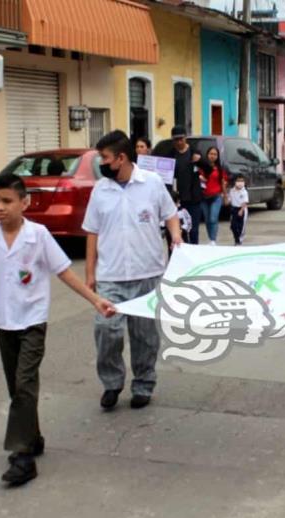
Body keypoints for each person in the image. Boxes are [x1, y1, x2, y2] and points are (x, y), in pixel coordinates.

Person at [0, 173, 116, 486]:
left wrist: (95, 300)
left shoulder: (38, 235)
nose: (0, 208)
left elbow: (64, 272)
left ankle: (22, 458)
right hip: (4, 323)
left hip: (32, 322)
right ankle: (32, 438)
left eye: (7, 201)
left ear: (25, 202)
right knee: (17, 389)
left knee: (24, 385)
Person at [83, 130, 182, 411]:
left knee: (145, 336)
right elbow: (91, 232)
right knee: (107, 331)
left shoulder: (151, 183)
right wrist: (90, 274)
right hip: (110, 276)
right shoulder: (100, 189)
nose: (101, 163)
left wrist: (175, 236)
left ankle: (143, 384)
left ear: (121, 158)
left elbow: (170, 214)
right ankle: (112, 383)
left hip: (147, 273)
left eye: (104, 157)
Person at [170, 126, 202, 244]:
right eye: (176, 140)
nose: (179, 142)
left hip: (194, 198)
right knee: (180, 230)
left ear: (185, 138)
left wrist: (200, 160)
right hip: (178, 199)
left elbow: (208, 169)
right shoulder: (170, 154)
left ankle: (195, 255)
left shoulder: (195, 152)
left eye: (181, 139)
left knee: (193, 231)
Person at [198, 146, 228, 245]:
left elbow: (223, 183)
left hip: (216, 197)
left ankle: (213, 240)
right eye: (211, 154)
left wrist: (225, 196)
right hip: (204, 197)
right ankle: (211, 239)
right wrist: (200, 178)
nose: (213, 156)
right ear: (207, 155)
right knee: (207, 220)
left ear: (217, 156)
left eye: (215, 154)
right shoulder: (201, 167)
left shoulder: (219, 169)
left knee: (213, 218)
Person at [229, 175, 249, 245]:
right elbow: (229, 200)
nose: (240, 183)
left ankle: (239, 240)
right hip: (234, 209)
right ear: (235, 182)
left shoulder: (244, 192)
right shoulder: (232, 190)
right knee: (233, 226)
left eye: (242, 181)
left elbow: (245, 202)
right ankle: (237, 239)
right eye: (238, 181)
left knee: (241, 227)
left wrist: (241, 210)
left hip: (242, 209)